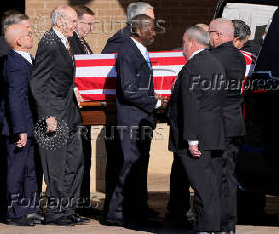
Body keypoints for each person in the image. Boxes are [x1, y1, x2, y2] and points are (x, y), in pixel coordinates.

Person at [30, 5, 90, 226]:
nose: (76, 26)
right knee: (56, 167)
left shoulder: (66, 42)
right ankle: (56, 213)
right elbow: (38, 82)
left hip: (70, 114)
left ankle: (68, 210)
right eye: (73, 21)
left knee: (75, 162)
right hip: (54, 115)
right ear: (59, 22)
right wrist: (48, 115)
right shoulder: (49, 43)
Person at [104, 14, 160, 226]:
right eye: (151, 29)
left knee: (138, 167)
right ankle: (115, 213)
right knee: (128, 166)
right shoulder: (128, 51)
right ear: (137, 30)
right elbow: (128, 91)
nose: (155, 33)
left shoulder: (140, 50)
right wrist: (154, 103)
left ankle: (135, 211)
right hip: (131, 119)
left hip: (141, 118)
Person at [171, 25, 226, 233]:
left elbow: (191, 105)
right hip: (214, 133)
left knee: (201, 186)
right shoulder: (215, 63)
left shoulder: (193, 67)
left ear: (192, 42)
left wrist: (192, 139)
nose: (182, 47)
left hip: (198, 137)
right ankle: (211, 226)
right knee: (210, 185)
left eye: (184, 42)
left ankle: (206, 227)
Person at [0, 11, 31, 220]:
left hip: (10, 116)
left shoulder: (10, 51)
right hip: (6, 118)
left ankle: (8, 207)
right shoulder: (5, 51)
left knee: (12, 167)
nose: (31, 32)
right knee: (9, 167)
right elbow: (13, 93)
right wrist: (18, 126)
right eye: (27, 28)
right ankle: (8, 209)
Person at [0, 23, 43, 226]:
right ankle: (15, 213)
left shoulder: (28, 59)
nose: (32, 36)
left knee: (30, 169)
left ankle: (30, 208)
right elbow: (15, 98)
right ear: (18, 41)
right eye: (28, 34)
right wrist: (20, 130)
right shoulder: (15, 63)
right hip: (18, 127)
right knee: (16, 171)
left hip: (29, 124)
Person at [209, 18, 246, 234]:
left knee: (215, 176)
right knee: (229, 176)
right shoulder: (238, 57)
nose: (209, 37)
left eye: (211, 33)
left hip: (217, 125)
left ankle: (216, 223)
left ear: (220, 35)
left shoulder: (213, 58)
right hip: (234, 122)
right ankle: (229, 224)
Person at [67, 5, 96, 215]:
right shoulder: (70, 43)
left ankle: (83, 202)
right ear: (75, 22)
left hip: (87, 112)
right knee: (76, 158)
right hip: (75, 110)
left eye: (91, 24)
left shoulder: (83, 44)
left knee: (85, 154)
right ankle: (76, 203)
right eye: (86, 23)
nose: (90, 28)